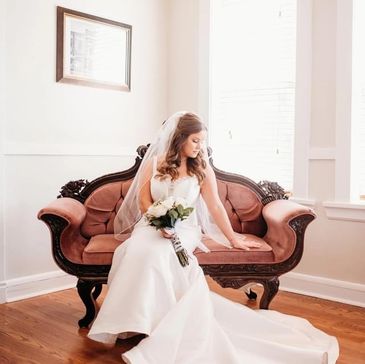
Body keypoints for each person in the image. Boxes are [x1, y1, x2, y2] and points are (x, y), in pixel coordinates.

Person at [88, 111, 339, 363]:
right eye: (195, 140)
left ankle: (162, 325)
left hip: (184, 229)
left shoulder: (202, 168)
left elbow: (216, 206)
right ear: (179, 139)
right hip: (151, 225)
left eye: (203, 141)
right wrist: (159, 220)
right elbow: (144, 200)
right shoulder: (155, 163)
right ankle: (134, 321)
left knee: (160, 253)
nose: (201, 147)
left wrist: (233, 239)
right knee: (136, 250)